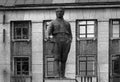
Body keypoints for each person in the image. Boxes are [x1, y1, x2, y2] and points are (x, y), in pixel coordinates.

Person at [47, 7, 72, 78]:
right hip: (56, 41)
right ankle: (57, 75)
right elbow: (48, 34)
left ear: (63, 13)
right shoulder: (53, 23)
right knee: (57, 58)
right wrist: (52, 39)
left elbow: (70, 34)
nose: (59, 13)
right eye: (57, 12)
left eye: (61, 11)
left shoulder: (67, 23)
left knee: (64, 59)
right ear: (56, 13)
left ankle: (62, 75)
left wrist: (69, 40)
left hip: (66, 42)